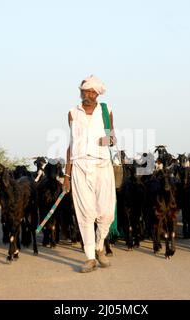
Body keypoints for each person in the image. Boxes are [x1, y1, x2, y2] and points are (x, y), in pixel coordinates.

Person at [63, 75, 117, 273]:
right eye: (86, 91)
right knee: (85, 213)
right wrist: (66, 176)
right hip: (79, 165)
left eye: (93, 92)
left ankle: (99, 245)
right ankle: (90, 258)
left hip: (102, 165)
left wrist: (108, 140)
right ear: (81, 92)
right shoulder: (72, 113)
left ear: (97, 94)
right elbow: (70, 144)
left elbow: (112, 137)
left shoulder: (106, 111)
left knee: (107, 213)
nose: (89, 94)